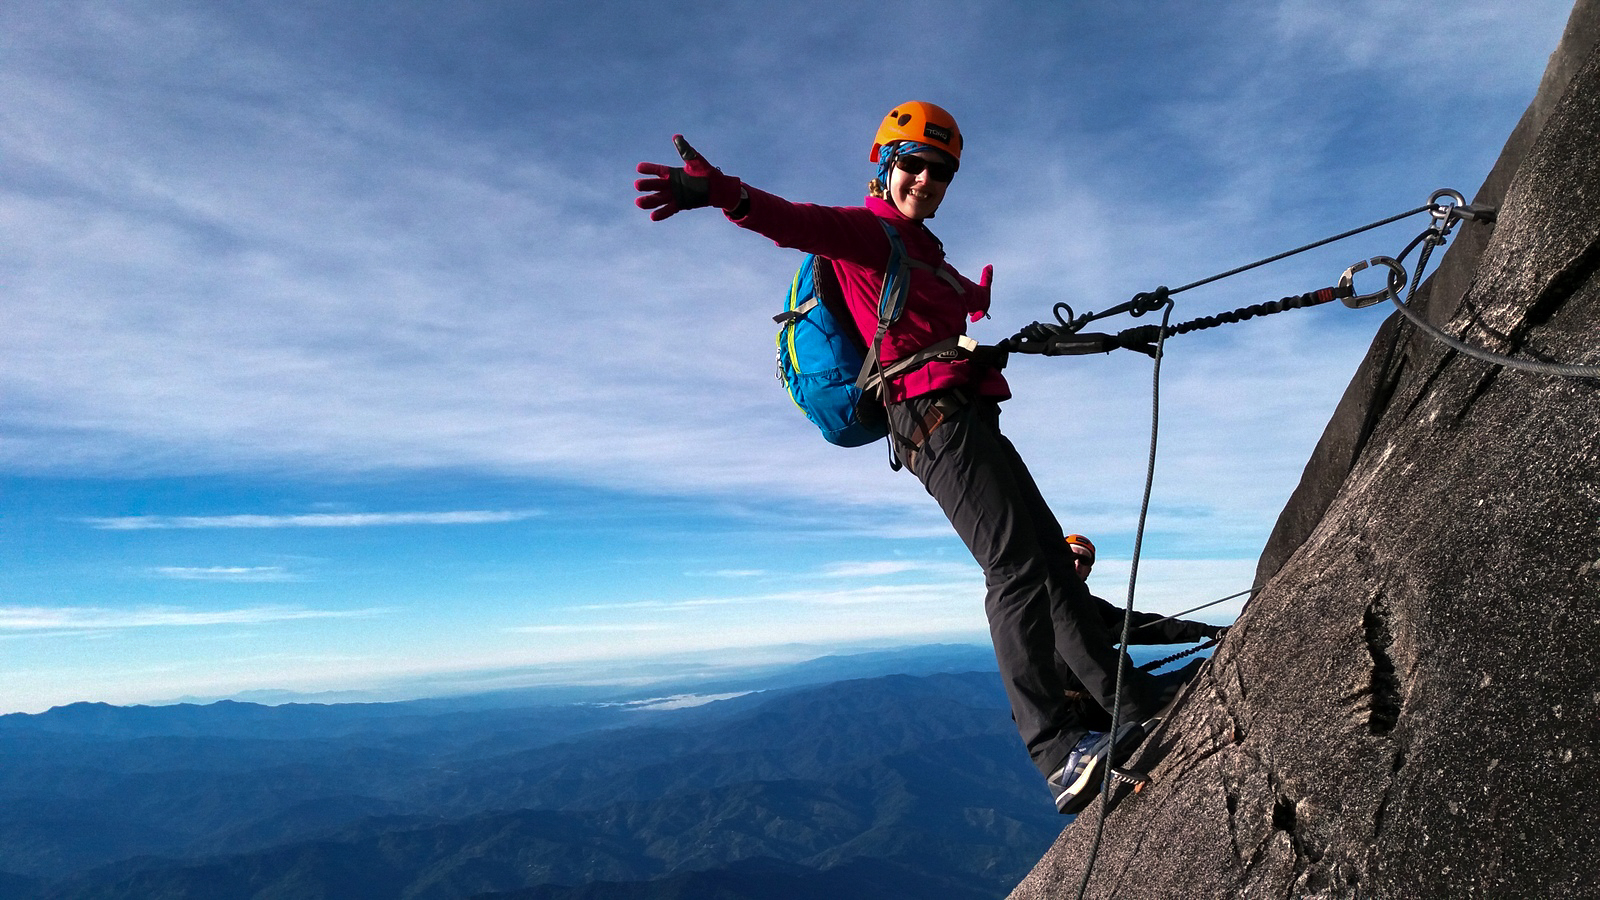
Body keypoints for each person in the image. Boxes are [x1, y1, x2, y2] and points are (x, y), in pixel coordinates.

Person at [635, 102, 1190, 814]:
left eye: (941, 172)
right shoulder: (864, 232)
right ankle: (1056, 751)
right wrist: (721, 193)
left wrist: (974, 302)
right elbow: (788, 219)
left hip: (967, 416)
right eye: (913, 165)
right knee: (1014, 568)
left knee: (1049, 557)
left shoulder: (925, 253)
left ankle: (1130, 702)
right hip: (931, 424)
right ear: (884, 166)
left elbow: (937, 308)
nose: (926, 180)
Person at [1055, 534, 1226, 732]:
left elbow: (1145, 626)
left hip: (1080, 709)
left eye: (1084, 560)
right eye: (1070, 555)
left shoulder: (1092, 608)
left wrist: (1205, 630)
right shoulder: (1045, 604)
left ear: (1089, 570)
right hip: (1073, 711)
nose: (1077, 563)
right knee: (1195, 674)